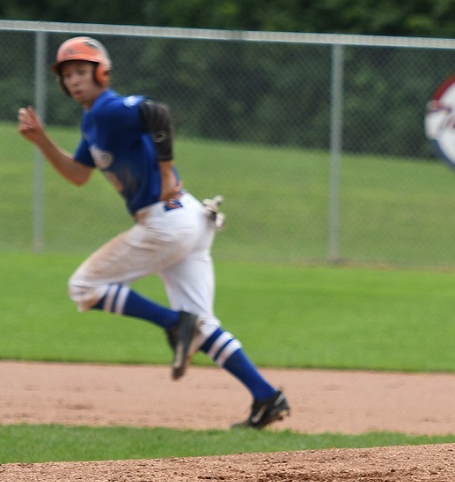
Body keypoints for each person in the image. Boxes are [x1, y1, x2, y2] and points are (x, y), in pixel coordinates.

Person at [17, 36, 291, 430]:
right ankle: (267, 397)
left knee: (84, 286)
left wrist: (165, 172)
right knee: (203, 324)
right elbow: (78, 175)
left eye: (81, 71)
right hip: (189, 221)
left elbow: (156, 112)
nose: (74, 80)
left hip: (167, 221)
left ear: (101, 72)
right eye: (67, 75)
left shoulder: (110, 107)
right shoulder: (94, 120)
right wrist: (43, 141)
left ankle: (173, 322)